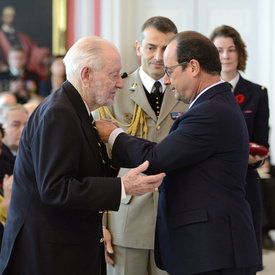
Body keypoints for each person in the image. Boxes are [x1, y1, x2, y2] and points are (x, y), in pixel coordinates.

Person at [96, 31, 261, 275]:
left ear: (193, 67)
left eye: (171, 71)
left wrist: (112, 135)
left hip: (214, 250)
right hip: (210, 248)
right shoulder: (214, 104)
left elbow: (156, 160)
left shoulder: (210, 111)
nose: (166, 81)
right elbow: (166, 153)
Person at [0, 35, 165, 275]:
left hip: (62, 249)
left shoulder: (73, 108)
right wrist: (122, 187)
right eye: (114, 74)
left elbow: (84, 169)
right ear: (86, 75)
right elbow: (56, 188)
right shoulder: (60, 114)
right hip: (50, 257)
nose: (120, 83)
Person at [93, 16, 188, 275]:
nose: (158, 57)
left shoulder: (186, 93)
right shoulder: (113, 92)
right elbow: (96, 164)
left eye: (165, 48)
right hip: (125, 222)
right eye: (150, 47)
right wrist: (98, 225)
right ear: (138, 47)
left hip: (175, 218)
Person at [209, 25, 270, 270]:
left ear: (239, 53)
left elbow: (262, 146)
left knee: (246, 255)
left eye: (231, 49)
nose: (225, 55)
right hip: (212, 184)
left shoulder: (257, 93)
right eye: (219, 50)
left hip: (245, 182)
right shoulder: (203, 93)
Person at [0, 6, 50, 79]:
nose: (11, 19)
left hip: (25, 72)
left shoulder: (20, 34)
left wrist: (42, 55)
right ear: (2, 17)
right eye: (8, 16)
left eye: (13, 16)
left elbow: (31, 48)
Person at [0, 104, 28, 195]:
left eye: (26, 125)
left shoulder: (27, 151)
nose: (23, 130)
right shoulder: (2, 156)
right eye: (15, 125)